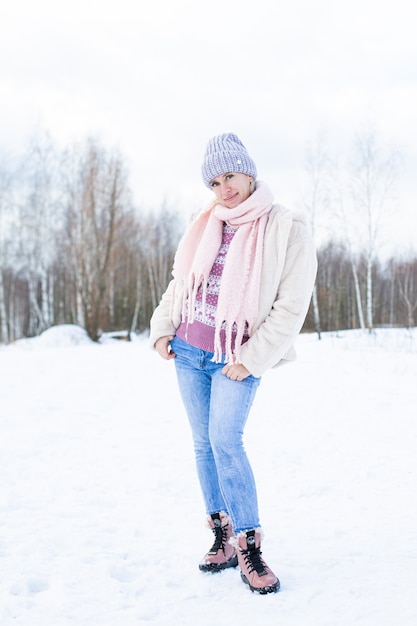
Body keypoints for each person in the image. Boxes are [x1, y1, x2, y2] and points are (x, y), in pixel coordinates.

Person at [149, 133, 317, 595]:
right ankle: (221, 538)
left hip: (235, 360)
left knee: (225, 440)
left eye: (230, 176)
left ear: (249, 170)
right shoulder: (205, 222)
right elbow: (182, 283)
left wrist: (251, 357)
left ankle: (248, 545)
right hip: (188, 350)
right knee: (203, 445)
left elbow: (291, 306)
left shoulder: (286, 228)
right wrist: (162, 327)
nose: (224, 188)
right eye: (215, 181)